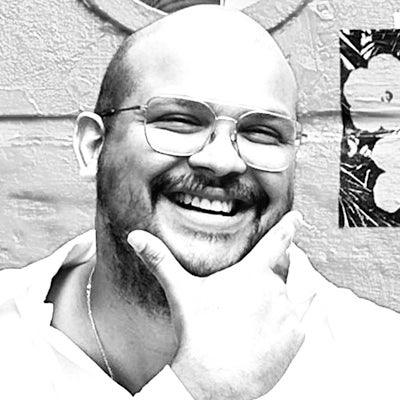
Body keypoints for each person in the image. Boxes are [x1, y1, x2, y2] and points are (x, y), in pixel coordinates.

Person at [1, 5, 400, 400]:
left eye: (262, 132)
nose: (222, 161)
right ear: (94, 147)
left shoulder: (381, 365)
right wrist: (196, 390)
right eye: (180, 121)